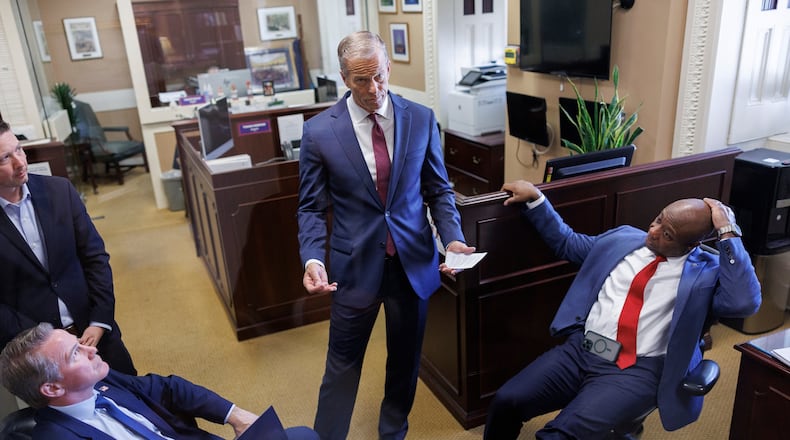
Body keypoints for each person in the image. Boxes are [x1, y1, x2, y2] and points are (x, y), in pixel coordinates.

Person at [297, 31, 475, 439]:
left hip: (412, 265)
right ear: (344, 78)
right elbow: (310, 207)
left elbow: (437, 190)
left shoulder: (421, 118)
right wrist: (313, 259)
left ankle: (392, 433)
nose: (373, 89)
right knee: (341, 369)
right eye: (361, 80)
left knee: (404, 365)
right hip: (352, 269)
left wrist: (451, 239)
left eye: (378, 76)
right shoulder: (319, 132)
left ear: (388, 68)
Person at [484, 180, 761, 439]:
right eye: (658, 219)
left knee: (559, 435)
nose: (653, 231)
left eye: (667, 234)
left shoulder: (707, 274)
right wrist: (536, 198)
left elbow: (744, 302)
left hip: (638, 369)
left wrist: (728, 231)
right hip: (583, 350)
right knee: (506, 401)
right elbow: (568, 243)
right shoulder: (624, 239)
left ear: (692, 245)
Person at [0, 323, 320, 439]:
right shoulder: (57, 437)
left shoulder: (104, 381)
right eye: (74, 354)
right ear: (53, 388)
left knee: (304, 435)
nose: (89, 348)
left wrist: (234, 415)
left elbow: (169, 387)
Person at [0, 119, 137, 375]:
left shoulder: (60, 190)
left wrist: (100, 321)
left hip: (94, 332)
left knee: (137, 399)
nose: (20, 162)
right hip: (37, 354)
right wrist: (45, 342)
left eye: (19, 149)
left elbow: (95, 258)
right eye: (5, 158)